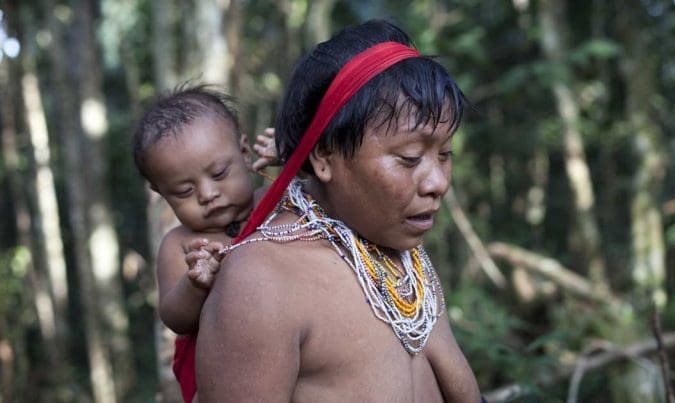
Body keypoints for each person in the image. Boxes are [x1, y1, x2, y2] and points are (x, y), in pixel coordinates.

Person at [196, 19, 482, 402]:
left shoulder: (401, 257)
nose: (438, 182)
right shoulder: (262, 281)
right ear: (325, 155)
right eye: (410, 157)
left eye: (444, 154)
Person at [132, 85, 278, 403]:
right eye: (184, 191)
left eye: (219, 173)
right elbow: (173, 317)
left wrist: (296, 160)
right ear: (161, 192)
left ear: (244, 151)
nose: (207, 194)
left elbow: (329, 203)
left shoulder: (278, 200)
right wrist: (194, 285)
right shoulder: (181, 244)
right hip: (221, 368)